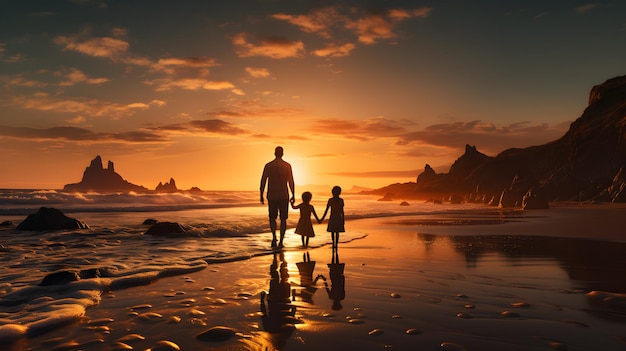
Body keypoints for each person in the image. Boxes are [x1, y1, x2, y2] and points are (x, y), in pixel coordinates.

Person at [260, 146, 295, 248]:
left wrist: (261, 194)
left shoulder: (268, 165)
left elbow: (263, 180)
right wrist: (293, 194)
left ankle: (274, 237)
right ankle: (281, 241)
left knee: (272, 217)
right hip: (283, 195)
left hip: (272, 195)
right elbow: (290, 180)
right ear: (282, 153)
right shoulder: (287, 166)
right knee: (283, 219)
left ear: (274, 153)